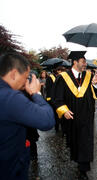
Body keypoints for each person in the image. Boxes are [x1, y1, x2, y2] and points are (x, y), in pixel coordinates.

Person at [0, 52, 55, 180]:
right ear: (13, 74)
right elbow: (47, 120)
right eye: (25, 78)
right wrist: (36, 93)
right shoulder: (10, 97)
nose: (26, 83)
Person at [54, 51, 97, 180]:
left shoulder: (89, 76)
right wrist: (64, 110)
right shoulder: (63, 77)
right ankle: (78, 159)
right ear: (75, 62)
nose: (85, 64)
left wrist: (95, 84)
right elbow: (57, 98)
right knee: (74, 142)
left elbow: (96, 96)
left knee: (85, 142)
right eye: (83, 62)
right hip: (72, 117)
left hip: (86, 116)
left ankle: (83, 169)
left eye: (85, 62)